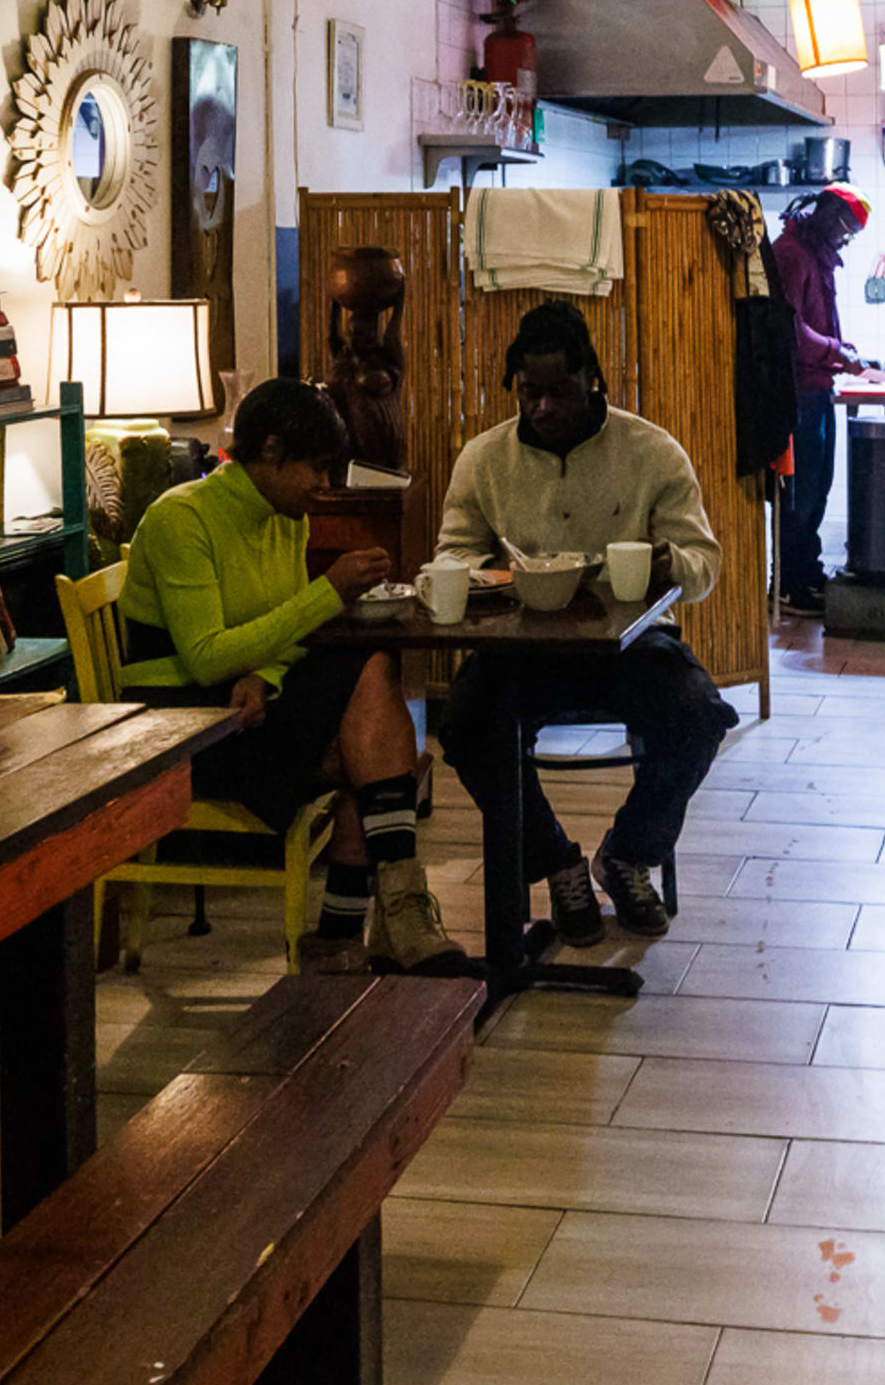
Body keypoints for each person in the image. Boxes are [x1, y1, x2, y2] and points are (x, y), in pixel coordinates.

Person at [117, 377, 462, 973]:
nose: (324, 485)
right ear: (270, 451)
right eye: (317, 467)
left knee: (369, 696)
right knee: (371, 741)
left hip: (241, 703)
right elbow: (204, 658)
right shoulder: (182, 518)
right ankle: (372, 924)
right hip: (179, 726)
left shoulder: (285, 514)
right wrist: (327, 594)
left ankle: (354, 933)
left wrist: (267, 676)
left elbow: (276, 633)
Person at [432, 300, 737, 945]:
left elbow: (705, 565)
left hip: (628, 648)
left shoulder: (652, 452)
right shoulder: (484, 460)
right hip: (523, 648)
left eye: (560, 392)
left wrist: (666, 563)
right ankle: (556, 864)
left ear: (593, 379)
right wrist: (492, 572)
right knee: (462, 721)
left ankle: (627, 854)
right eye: (529, 393)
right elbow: (452, 553)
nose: (543, 408)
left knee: (698, 715)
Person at [765, 190, 867, 612]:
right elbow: (789, 331)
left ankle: (807, 571)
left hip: (817, 391)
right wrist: (836, 351)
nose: (846, 241)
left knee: (817, 489)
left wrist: (840, 349)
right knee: (798, 495)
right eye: (847, 230)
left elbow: (814, 324)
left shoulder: (814, 255)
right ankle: (788, 584)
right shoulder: (791, 254)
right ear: (830, 217)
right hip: (796, 393)